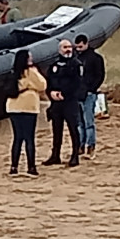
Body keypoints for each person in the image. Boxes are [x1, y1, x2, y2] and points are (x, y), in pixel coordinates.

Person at [5, 50, 47, 177]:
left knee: (17, 138)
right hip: (28, 108)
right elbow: (42, 85)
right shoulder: (30, 72)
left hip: (13, 108)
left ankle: (14, 166)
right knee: (29, 138)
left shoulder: (13, 73)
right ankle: (31, 167)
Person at [42, 39, 84, 168]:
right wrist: (51, 93)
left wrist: (63, 93)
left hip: (70, 101)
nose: (68, 49)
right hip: (56, 103)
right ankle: (55, 155)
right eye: (65, 47)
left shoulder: (76, 64)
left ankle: (75, 155)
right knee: (56, 129)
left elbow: (77, 84)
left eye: (70, 47)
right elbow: (48, 81)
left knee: (73, 128)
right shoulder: (54, 65)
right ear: (60, 49)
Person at [74, 33, 105, 160]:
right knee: (79, 122)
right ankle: (80, 145)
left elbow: (100, 75)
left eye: (81, 47)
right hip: (77, 94)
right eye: (77, 47)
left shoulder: (96, 58)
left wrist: (91, 89)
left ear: (86, 44)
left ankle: (90, 146)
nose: (78, 49)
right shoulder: (76, 58)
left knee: (88, 122)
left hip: (89, 94)